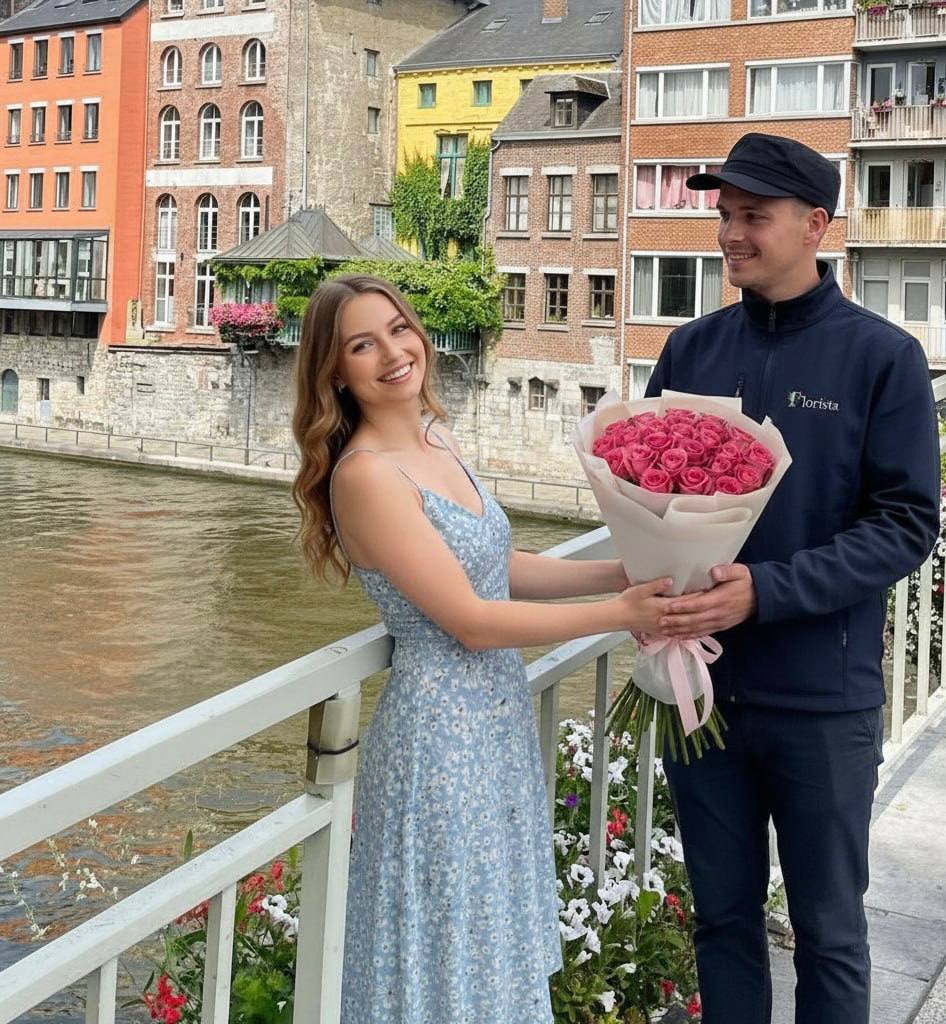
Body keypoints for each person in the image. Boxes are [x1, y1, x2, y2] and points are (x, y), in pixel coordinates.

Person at [291, 274, 674, 1024]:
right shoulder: (366, 476)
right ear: (334, 372)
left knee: (487, 939)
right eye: (362, 346)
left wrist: (621, 572)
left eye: (398, 329)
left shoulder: (435, 440)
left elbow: (497, 567)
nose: (393, 353)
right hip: (439, 739)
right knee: (447, 949)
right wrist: (618, 613)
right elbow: (470, 619)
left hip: (492, 727)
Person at [646, 133, 941, 1024]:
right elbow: (645, 496)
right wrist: (647, 586)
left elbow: (907, 524)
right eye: (725, 215)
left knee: (830, 933)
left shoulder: (882, 358)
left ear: (815, 224)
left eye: (754, 217)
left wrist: (766, 591)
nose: (731, 235)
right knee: (721, 921)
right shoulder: (690, 350)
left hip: (822, 700)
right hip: (701, 693)